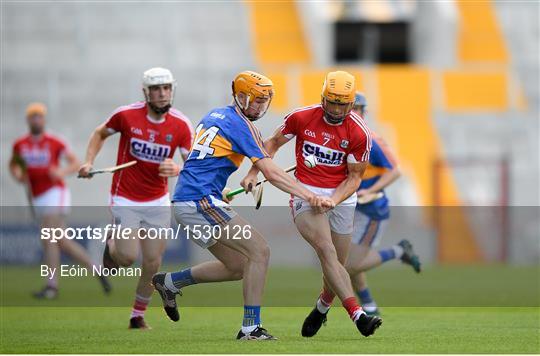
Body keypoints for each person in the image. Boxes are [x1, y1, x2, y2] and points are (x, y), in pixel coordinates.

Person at [151, 70, 333, 340]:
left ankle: (169, 282)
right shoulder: (241, 124)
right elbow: (271, 173)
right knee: (259, 251)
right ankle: (250, 328)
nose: (261, 106)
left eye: (265, 100)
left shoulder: (215, 115)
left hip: (193, 198)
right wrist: (310, 196)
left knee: (238, 265)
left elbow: (204, 162)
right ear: (241, 97)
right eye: (257, 100)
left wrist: (222, 190)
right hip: (198, 200)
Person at [241, 71, 382, 338]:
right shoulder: (301, 117)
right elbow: (271, 144)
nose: (336, 109)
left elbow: (354, 178)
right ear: (322, 98)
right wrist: (253, 173)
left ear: (351, 105)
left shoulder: (359, 132)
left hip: (340, 197)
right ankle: (358, 315)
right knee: (326, 251)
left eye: (342, 104)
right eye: (332, 102)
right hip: (304, 193)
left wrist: (333, 199)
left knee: (338, 265)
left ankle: (322, 307)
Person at [78, 67, 194, 329]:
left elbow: (193, 166)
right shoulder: (126, 115)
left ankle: (137, 315)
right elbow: (99, 133)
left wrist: (176, 169)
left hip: (157, 201)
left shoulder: (181, 125)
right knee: (127, 257)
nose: (163, 94)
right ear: (146, 92)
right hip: (125, 198)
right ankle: (111, 249)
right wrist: (88, 162)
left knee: (152, 262)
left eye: (166, 88)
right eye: (156, 89)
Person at [10, 102, 111, 299]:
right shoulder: (20, 145)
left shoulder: (54, 141)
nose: (36, 120)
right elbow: (14, 165)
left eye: (39, 116)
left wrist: (60, 172)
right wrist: (18, 175)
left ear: (44, 119)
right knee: (61, 241)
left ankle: (51, 287)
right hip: (37, 196)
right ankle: (96, 268)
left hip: (55, 192)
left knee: (48, 236)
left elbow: (74, 162)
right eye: (33, 116)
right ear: (28, 120)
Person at [346, 92, 421, 316]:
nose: (348, 113)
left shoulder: (371, 140)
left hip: (371, 211)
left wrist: (371, 189)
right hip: (352, 208)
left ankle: (398, 251)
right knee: (350, 260)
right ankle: (369, 305)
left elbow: (396, 171)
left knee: (350, 264)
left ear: (361, 112)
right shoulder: (344, 138)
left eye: (354, 109)